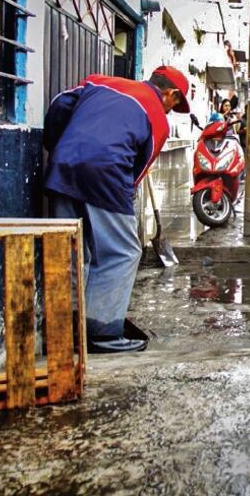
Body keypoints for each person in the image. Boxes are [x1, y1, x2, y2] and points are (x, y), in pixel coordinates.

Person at [44, 66, 190, 353]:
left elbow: (59, 104)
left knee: (71, 250)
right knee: (122, 252)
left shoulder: (100, 82)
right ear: (169, 94)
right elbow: (140, 168)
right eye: (176, 103)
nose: (173, 110)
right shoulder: (157, 118)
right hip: (107, 176)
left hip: (62, 166)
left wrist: (59, 146)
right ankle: (102, 333)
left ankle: (66, 327)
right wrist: (125, 195)